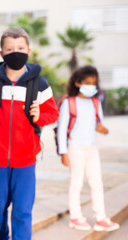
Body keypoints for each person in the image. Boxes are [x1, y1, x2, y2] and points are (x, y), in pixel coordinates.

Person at [0, 27, 59, 240]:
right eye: (10, 49)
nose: (15, 52)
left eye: (20, 48)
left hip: (26, 160)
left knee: (22, 211)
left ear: (28, 50)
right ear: (1, 53)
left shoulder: (40, 84)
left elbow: (53, 114)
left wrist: (39, 116)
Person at [57, 66, 120, 232]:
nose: (91, 86)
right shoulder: (69, 102)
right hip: (75, 148)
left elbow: (101, 125)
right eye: (87, 83)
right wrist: (63, 153)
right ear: (77, 83)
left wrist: (103, 130)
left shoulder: (96, 102)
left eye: (94, 83)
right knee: (76, 182)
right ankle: (75, 217)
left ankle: (100, 218)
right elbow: (62, 128)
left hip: (92, 149)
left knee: (97, 183)